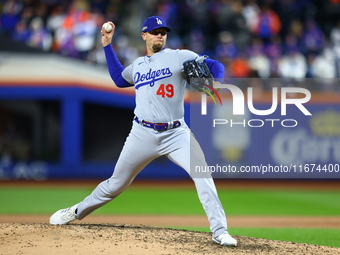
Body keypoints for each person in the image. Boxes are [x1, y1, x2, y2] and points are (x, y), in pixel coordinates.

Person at [49, 16, 237, 247]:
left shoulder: (180, 56)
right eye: (155, 31)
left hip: (176, 133)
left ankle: (219, 231)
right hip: (142, 132)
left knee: (203, 175)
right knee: (115, 185)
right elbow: (119, 79)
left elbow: (215, 65)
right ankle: (76, 211)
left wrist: (216, 82)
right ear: (144, 35)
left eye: (163, 31)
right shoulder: (138, 65)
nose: (160, 35)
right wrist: (107, 45)